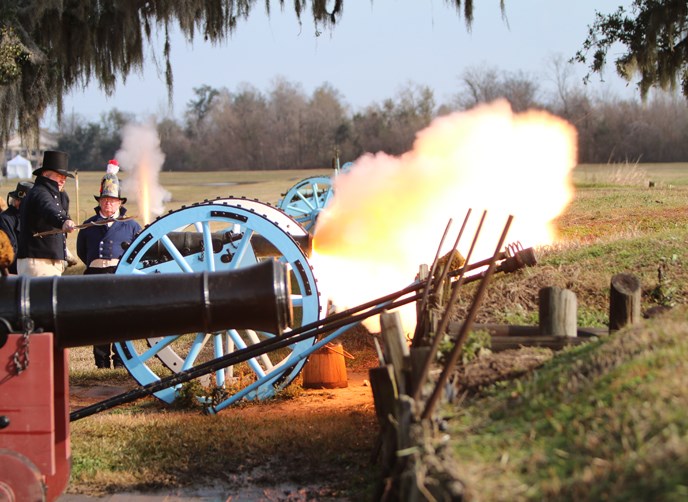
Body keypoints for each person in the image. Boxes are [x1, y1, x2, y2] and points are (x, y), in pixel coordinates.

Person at [77, 159, 142, 369]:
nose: (108, 203)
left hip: (120, 275)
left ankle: (121, 362)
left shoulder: (131, 225)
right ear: (100, 201)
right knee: (99, 321)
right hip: (96, 275)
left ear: (120, 202)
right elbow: (81, 251)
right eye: (105, 199)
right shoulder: (89, 225)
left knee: (121, 319)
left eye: (112, 200)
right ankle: (102, 362)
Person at [16, 150, 77, 277]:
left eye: (64, 177)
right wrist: (63, 221)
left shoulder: (54, 194)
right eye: (59, 176)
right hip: (39, 262)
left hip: (46, 261)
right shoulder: (40, 192)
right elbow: (49, 209)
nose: (62, 180)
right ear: (45, 174)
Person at [0, 181, 34, 274]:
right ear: (18, 202)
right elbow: (11, 250)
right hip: (15, 271)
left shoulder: (32, 219)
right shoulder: (5, 219)